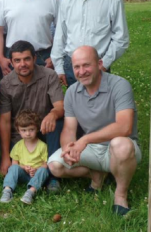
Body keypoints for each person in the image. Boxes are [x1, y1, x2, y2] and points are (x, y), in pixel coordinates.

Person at [48, 46, 141, 216]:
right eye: (77, 67)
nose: (82, 71)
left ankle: (120, 195)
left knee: (120, 145)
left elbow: (124, 127)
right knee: (55, 166)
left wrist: (85, 140)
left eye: (86, 65)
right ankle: (96, 174)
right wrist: (68, 148)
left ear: (99, 64)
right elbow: (69, 128)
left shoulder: (119, 85)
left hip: (119, 148)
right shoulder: (71, 92)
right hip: (92, 148)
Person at [51, 0, 129, 87]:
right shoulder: (67, 2)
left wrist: (104, 64)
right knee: (76, 105)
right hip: (72, 66)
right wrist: (59, 68)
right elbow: (60, 37)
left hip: (98, 65)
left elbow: (121, 38)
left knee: (100, 105)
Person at [0, 40, 64, 192]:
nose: (23, 64)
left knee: (58, 122)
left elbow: (60, 106)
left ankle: (53, 178)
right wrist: (5, 157)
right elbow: (5, 121)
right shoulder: (5, 84)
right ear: (12, 63)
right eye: (17, 60)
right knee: (20, 161)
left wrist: (53, 114)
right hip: (20, 135)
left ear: (34, 59)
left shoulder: (49, 76)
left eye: (27, 59)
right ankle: (33, 177)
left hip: (44, 131)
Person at [0, 110, 49, 205]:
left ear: (37, 129)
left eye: (31, 129)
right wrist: (24, 168)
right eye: (24, 130)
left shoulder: (42, 146)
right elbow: (15, 164)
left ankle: (30, 192)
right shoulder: (18, 146)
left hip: (36, 174)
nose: (28, 133)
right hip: (23, 174)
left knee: (44, 171)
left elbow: (45, 164)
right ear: (18, 130)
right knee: (13, 168)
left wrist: (36, 169)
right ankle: (7, 190)